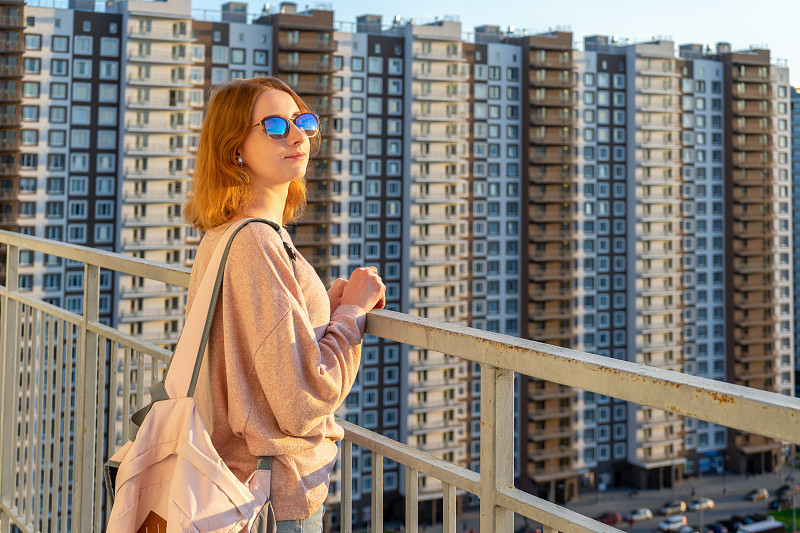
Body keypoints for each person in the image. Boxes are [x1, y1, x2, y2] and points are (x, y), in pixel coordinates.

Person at [183, 77, 385, 530]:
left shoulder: (227, 234)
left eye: (303, 122)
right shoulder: (257, 241)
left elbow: (256, 350)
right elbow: (301, 400)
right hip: (266, 496)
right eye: (274, 126)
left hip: (234, 481)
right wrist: (352, 315)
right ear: (234, 148)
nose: (297, 136)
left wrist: (320, 315)